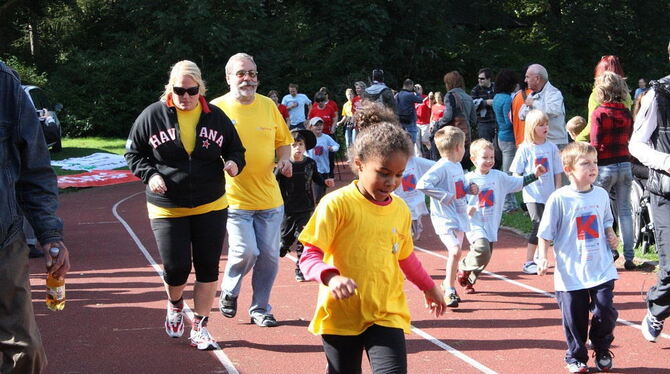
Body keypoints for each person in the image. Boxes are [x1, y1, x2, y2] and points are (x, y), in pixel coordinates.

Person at [298, 110, 447, 374]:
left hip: (386, 311)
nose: (392, 182)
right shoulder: (336, 204)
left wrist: (428, 286)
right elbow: (309, 256)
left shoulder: (400, 209)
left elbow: (405, 256)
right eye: (383, 173)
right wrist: (332, 278)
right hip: (342, 314)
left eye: (399, 175)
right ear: (359, 164)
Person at [125, 60, 246, 350]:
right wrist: (150, 174)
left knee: (208, 269)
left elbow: (236, 148)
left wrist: (233, 163)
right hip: (167, 206)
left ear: (201, 89)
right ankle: (175, 303)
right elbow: (133, 154)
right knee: (177, 267)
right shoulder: (152, 116)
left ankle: (201, 325)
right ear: (170, 89)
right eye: (179, 90)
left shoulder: (216, 116)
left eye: (192, 91)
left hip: (211, 204)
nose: (186, 97)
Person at [211, 52, 294, 328]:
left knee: (269, 257)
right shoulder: (216, 108)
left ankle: (260, 308)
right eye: (241, 73)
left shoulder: (268, 105)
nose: (248, 79)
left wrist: (284, 159)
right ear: (228, 78)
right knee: (246, 251)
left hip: (270, 198)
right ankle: (230, 290)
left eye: (252, 73)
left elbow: (283, 141)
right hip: (234, 199)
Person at [0, 59, 70, 374]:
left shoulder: (4, 84)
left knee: (24, 350)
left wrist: (49, 235)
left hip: (4, 239)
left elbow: (35, 168)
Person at [536, 141, 619, 373]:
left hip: (600, 266)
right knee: (575, 319)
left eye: (595, 163)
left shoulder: (601, 194)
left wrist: (612, 236)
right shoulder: (559, 199)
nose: (593, 168)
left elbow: (606, 221)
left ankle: (601, 347)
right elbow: (545, 234)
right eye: (586, 163)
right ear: (569, 168)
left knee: (605, 310)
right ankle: (576, 357)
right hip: (571, 272)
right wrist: (542, 258)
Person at [457, 139, 545, 294]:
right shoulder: (467, 179)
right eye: (485, 158)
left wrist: (535, 175)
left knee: (486, 256)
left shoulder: (499, 177)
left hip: (491, 223)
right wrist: (466, 208)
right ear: (474, 159)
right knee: (482, 249)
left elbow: (518, 182)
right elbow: (458, 199)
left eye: (492, 157)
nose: (489, 161)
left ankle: (469, 280)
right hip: (475, 222)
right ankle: (464, 266)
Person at [629, 41, 670, 343]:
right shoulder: (659, 94)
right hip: (666, 190)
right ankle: (656, 310)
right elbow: (636, 144)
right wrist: (667, 162)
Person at [417, 126, 479, 307]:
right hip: (444, 218)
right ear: (458, 148)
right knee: (455, 251)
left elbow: (460, 184)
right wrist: (443, 196)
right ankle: (450, 291)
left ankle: (447, 284)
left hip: (459, 215)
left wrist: (469, 188)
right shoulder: (441, 166)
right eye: (464, 147)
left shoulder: (457, 165)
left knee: (456, 254)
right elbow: (422, 184)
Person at [590, 71, 636, 270]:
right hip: (624, 164)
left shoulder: (599, 113)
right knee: (625, 211)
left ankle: (608, 250)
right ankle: (630, 256)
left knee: (600, 210)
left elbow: (595, 142)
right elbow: (631, 137)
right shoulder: (626, 112)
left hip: (605, 165)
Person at [509, 110, 563, 274]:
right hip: (532, 195)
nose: (545, 127)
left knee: (550, 226)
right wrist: (522, 182)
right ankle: (528, 261)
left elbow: (557, 171)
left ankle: (542, 255)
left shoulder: (552, 147)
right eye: (540, 125)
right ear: (532, 127)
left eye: (546, 124)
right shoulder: (525, 148)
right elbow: (516, 172)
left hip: (550, 194)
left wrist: (558, 190)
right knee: (538, 224)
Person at [277, 128, 333, 282]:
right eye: (294, 145)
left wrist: (325, 181)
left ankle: (300, 269)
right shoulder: (283, 165)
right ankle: (279, 249)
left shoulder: (310, 163)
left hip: (306, 207)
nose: (298, 148)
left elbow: (317, 178)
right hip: (288, 208)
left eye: (300, 144)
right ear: (289, 148)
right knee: (285, 242)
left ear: (305, 147)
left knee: (303, 239)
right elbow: (274, 183)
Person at [575, 55, 633, 143]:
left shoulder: (596, 95)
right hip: (623, 144)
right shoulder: (626, 95)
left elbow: (592, 126)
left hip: (603, 145)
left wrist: (579, 139)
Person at [431, 71, 477, 169]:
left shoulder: (450, 95)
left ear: (449, 83)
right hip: (466, 135)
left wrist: (437, 124)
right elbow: (473, 120)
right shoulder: (469, 97)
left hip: (453, 134)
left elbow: (448, 116)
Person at [519, 64, 568, 148]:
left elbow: (553, 111)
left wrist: (534, 104)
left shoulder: (554, 93)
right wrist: (530, 107)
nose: (525, 80)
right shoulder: (532, 94)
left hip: (555, 143)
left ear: (537, 78)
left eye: (527, 77)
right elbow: (521, 115)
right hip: (538, 142)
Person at [393, 147, 436, 241]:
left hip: (416, 202)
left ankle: (415, 229)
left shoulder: (415, 162)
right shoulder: (393, 162)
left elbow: (436, 166)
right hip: (401, 203)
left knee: (415, 235)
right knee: (406, 234)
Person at [492, 69, 520, 211]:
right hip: (509, 137)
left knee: (506, 170)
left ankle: (510, 203)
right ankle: (507, 205)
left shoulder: (497, 97)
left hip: (501, 136)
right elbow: (508, 120)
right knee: (508, 173)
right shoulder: (508, 99)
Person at [305, 117, 340, 203]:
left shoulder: (326, 137)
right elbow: (304, 151)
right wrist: (307, 157)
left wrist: (332, 148)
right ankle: (317, 209)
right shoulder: (308, 138)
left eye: (320, 125)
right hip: (314, 170)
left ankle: (319, 207)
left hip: (325, 168)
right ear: (311, 127)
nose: (319, 127)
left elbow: (337, 146)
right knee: (317, 193)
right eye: (316, 125)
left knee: (323, 191)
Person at [471, 67, 497, 142]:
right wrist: (485, 102)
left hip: (496, 121)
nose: (479, 80)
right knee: (485, 146)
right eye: (478, 78)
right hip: (483, 123)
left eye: (482, 78)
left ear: (489, 79)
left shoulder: (496, 87)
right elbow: (472, 105)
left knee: (497, 148)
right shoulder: (475, 90)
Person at [395, 78, 424, 144]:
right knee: (412, 140)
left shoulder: (398, 94)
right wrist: (418, 93)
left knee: (402, 140)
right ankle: (410, 153)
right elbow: (420, 100)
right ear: (410, 85)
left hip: (400, 120)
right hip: (410, 120)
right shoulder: (410, 95)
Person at [511, 65, 532, 147]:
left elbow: (511, 118)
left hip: (519, 139)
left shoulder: (516, 96)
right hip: (531, 141)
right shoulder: (535, 96)